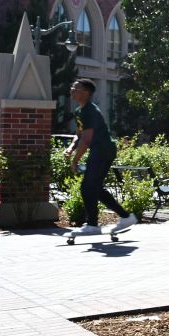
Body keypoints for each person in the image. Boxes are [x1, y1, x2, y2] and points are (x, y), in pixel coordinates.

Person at [64, 79, 136, 237]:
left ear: (86, 93)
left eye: (76, 88)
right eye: (72, 87)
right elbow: (79, 135)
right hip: (99, 151)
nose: (72, 90)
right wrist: (70, 148)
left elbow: (87, 139)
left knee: (88, 186)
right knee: (94, 187)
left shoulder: (90, 111)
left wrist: (75, 160)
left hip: (103, 150)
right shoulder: (79, 111)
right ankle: (125, 217)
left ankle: (93, 225)